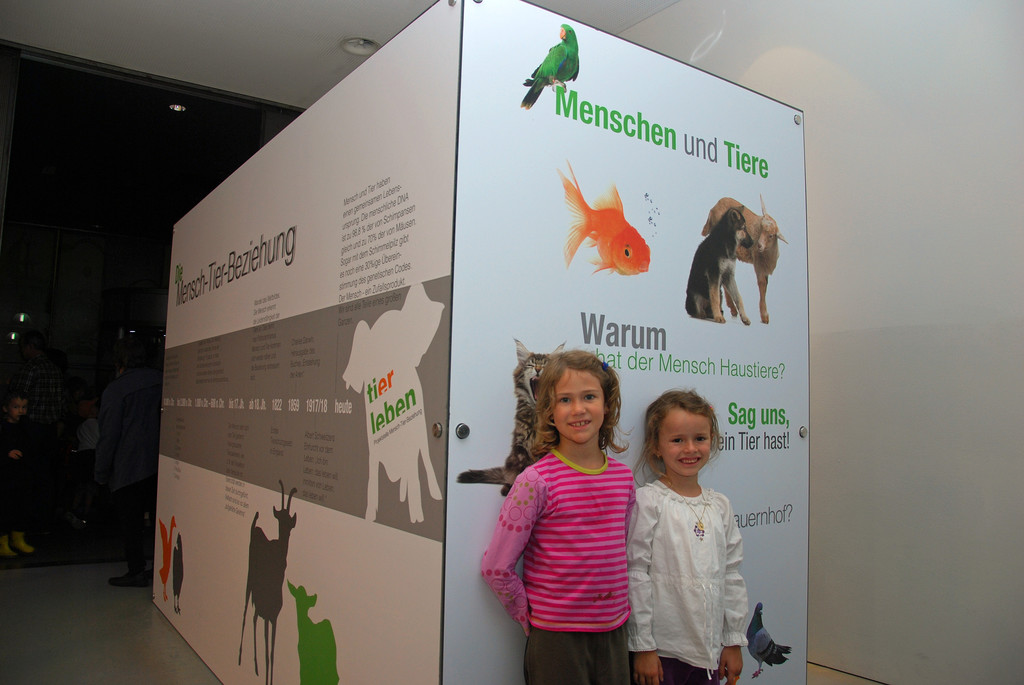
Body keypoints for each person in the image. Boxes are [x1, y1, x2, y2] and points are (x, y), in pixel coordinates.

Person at [481, 349, 636, 685]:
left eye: (589, 396)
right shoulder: (536, 480)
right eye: (565, 400)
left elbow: (621, 552)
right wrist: (525, 613)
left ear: (607, 404)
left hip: (615, 632)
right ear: (549, 410)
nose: (578, 409)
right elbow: (496, 567)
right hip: (555, 638)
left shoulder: (623, 479)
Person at [627, 390, 748, 685]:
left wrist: (732, 640)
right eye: (677, 440)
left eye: (700, 438)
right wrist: (643, 646)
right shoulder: (649, 502)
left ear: (712, 441)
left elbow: (731, 575)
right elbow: (635, 573)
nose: (690, 449)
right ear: (656, 446)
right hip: (662, 654)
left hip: (709, 653)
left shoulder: (720, 506)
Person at [94, 336, 161, 587]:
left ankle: (136, 570)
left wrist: (101, 473)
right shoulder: (162, 380)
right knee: (159, 520)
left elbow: (109, 435)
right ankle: (160, 567)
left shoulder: (116, 390)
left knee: (131, 524)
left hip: (128, 466)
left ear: (118, 360)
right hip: (160, 464)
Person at [7, 329, 65, 527]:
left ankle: (25, 518)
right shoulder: (55, 369)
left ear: (30, 347)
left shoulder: (30, 368)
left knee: (26, 473)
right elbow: (61, 402)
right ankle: (43, 518)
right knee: (45, 475)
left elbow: (17, 398)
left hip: (30, 428)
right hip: (50, 429)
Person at [0, 391, 37, 556]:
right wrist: (6, 453)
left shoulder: (26, 427)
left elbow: (32, 447)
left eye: (24, 407)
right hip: (5, 475)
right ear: (5, 408)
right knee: (5, 508)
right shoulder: (3, 427)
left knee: (21, 506)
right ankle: (2, 541)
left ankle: (18, 538)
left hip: (22, 474)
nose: (20, 411)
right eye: (16, 407)